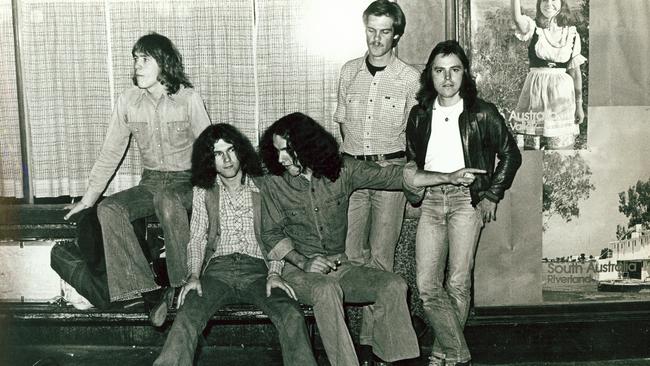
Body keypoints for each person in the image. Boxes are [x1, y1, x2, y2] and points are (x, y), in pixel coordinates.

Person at [64, 32, 211, 325]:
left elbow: (211, 150)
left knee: (167, 201)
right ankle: (145, 291)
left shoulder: (188, 99)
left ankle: (182, 288)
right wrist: (88, 199)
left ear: (164, 63)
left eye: (145, 59)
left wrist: (214, 194)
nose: (137, 66)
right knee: (109, 209)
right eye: (135, 59)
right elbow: (110, 152)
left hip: (185, 183)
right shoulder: (128, 101)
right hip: (151, 183)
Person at [153, 124, 316, 366]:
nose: (227, 160)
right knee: (187, 316)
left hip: (259, 270)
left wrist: (274, 273)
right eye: (218, 154)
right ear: (210, 159)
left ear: (241, 151)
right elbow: (197, 236)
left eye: (231, 151)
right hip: (217, 271)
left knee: (291, 314)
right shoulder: (204, 190)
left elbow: (278, 233)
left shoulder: (264, 186)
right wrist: (194, 275)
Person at [405, 40, 522, 366]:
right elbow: (413, 160)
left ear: (464, 73)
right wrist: (416, 190)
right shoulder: (419, 115)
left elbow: (511, 155)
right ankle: (458, 353)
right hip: (430, 202)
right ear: (429, 75)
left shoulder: (482, 112)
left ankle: (444, 354)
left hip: (465, 202)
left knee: (457, 282)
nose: (447, 78)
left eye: (454, 70)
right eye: (439, 71)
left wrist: (491, 195)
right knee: (427, 285)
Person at [333, 2, 421, 358]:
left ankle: (372, 344)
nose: (377, 39)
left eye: (385, 31)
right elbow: (341, 121)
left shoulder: (410, 78)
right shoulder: (349, 71)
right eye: (372, 30)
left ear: (396, 34)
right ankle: (362, 343)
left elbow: (416, 132)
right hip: (353, 172)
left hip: (389, 173)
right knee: (352, 255)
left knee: (382, 259)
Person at [510, 0, 587, 149]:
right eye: (544, 0)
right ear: (539, 4)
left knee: (561, 150)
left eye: (554, 0)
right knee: (532, 149)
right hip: (535, 94)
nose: (549, 4)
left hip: (561, 97)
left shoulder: (571, 33)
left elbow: (575, 73)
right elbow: (517, 18)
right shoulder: (533, 27)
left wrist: (579, 105)